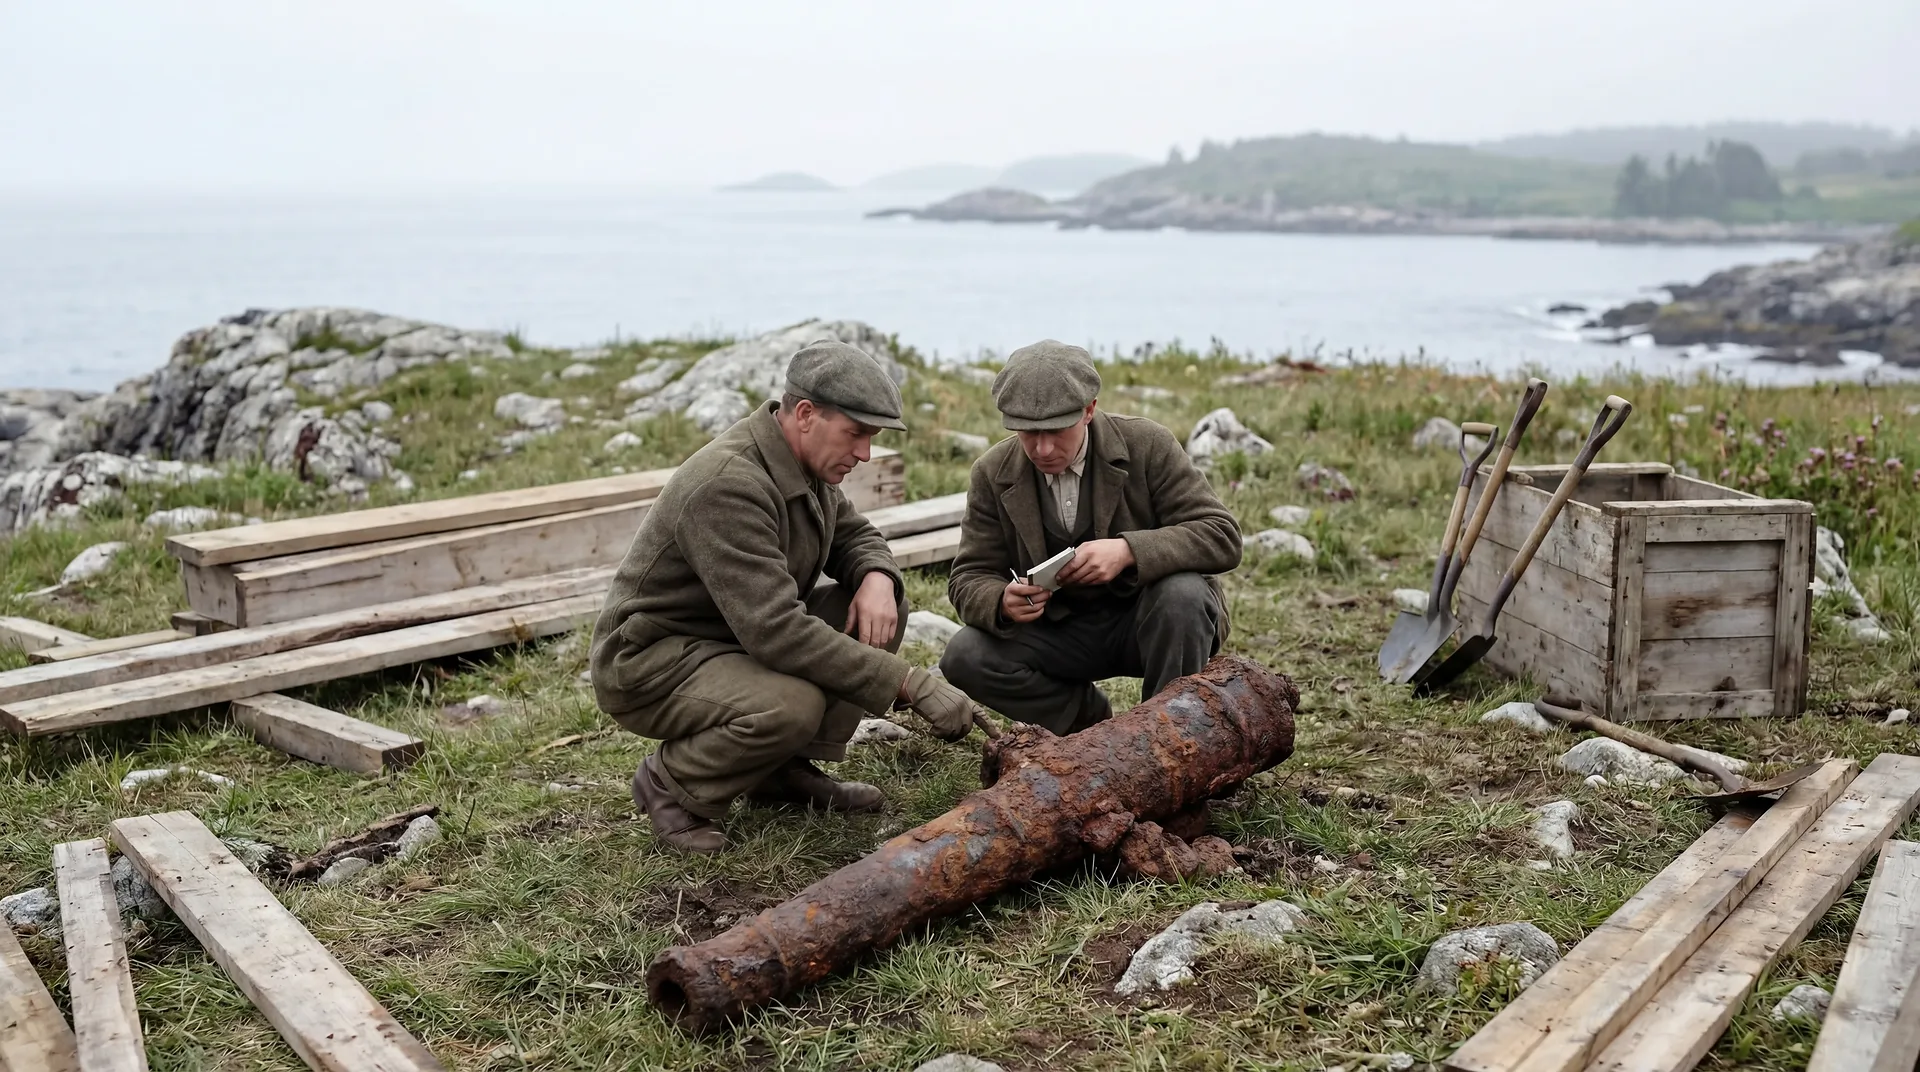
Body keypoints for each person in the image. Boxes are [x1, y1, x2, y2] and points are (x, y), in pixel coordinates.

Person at [590, 341, 975, 853]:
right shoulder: (729, 485)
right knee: (791, 704)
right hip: (654, 658)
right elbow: (777, 632)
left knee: (877, 608)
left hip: (728, 637)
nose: (864, 453)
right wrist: (908, 683)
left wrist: (878, 577)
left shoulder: (802, 463)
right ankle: (672, 786)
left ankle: (779, 770)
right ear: (806, 414)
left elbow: (855, 537)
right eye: (855, 433)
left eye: (871, 437)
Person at [939, 340, 1242, 735]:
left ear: (1089, 410)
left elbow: (1222, 535)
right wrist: (1001, 600)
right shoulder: (992, 472)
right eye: (1027, 432)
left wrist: (1128, 550)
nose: (1042, 448)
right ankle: (1089, 727)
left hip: (1150, 622)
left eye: (1056, 431)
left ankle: (1166, 738)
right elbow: (968, 576)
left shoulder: (1147, 445)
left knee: (1183, 594)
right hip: (1058, 634)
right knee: (964, 655)